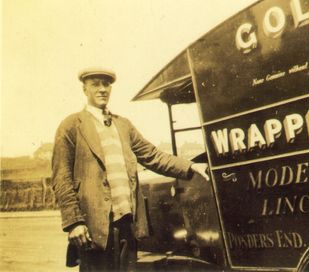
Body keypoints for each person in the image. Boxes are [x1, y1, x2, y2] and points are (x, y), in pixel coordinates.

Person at [51, 67, 209, 271]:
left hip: (128, 224)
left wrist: (192, 165)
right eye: (95, 84)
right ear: (85, 89)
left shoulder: (123, 125)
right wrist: (74, 223)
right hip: (95, 227)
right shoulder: (72, 126)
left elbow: (153, 155)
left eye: (106, 84)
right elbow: (61, 178)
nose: (102, 89)